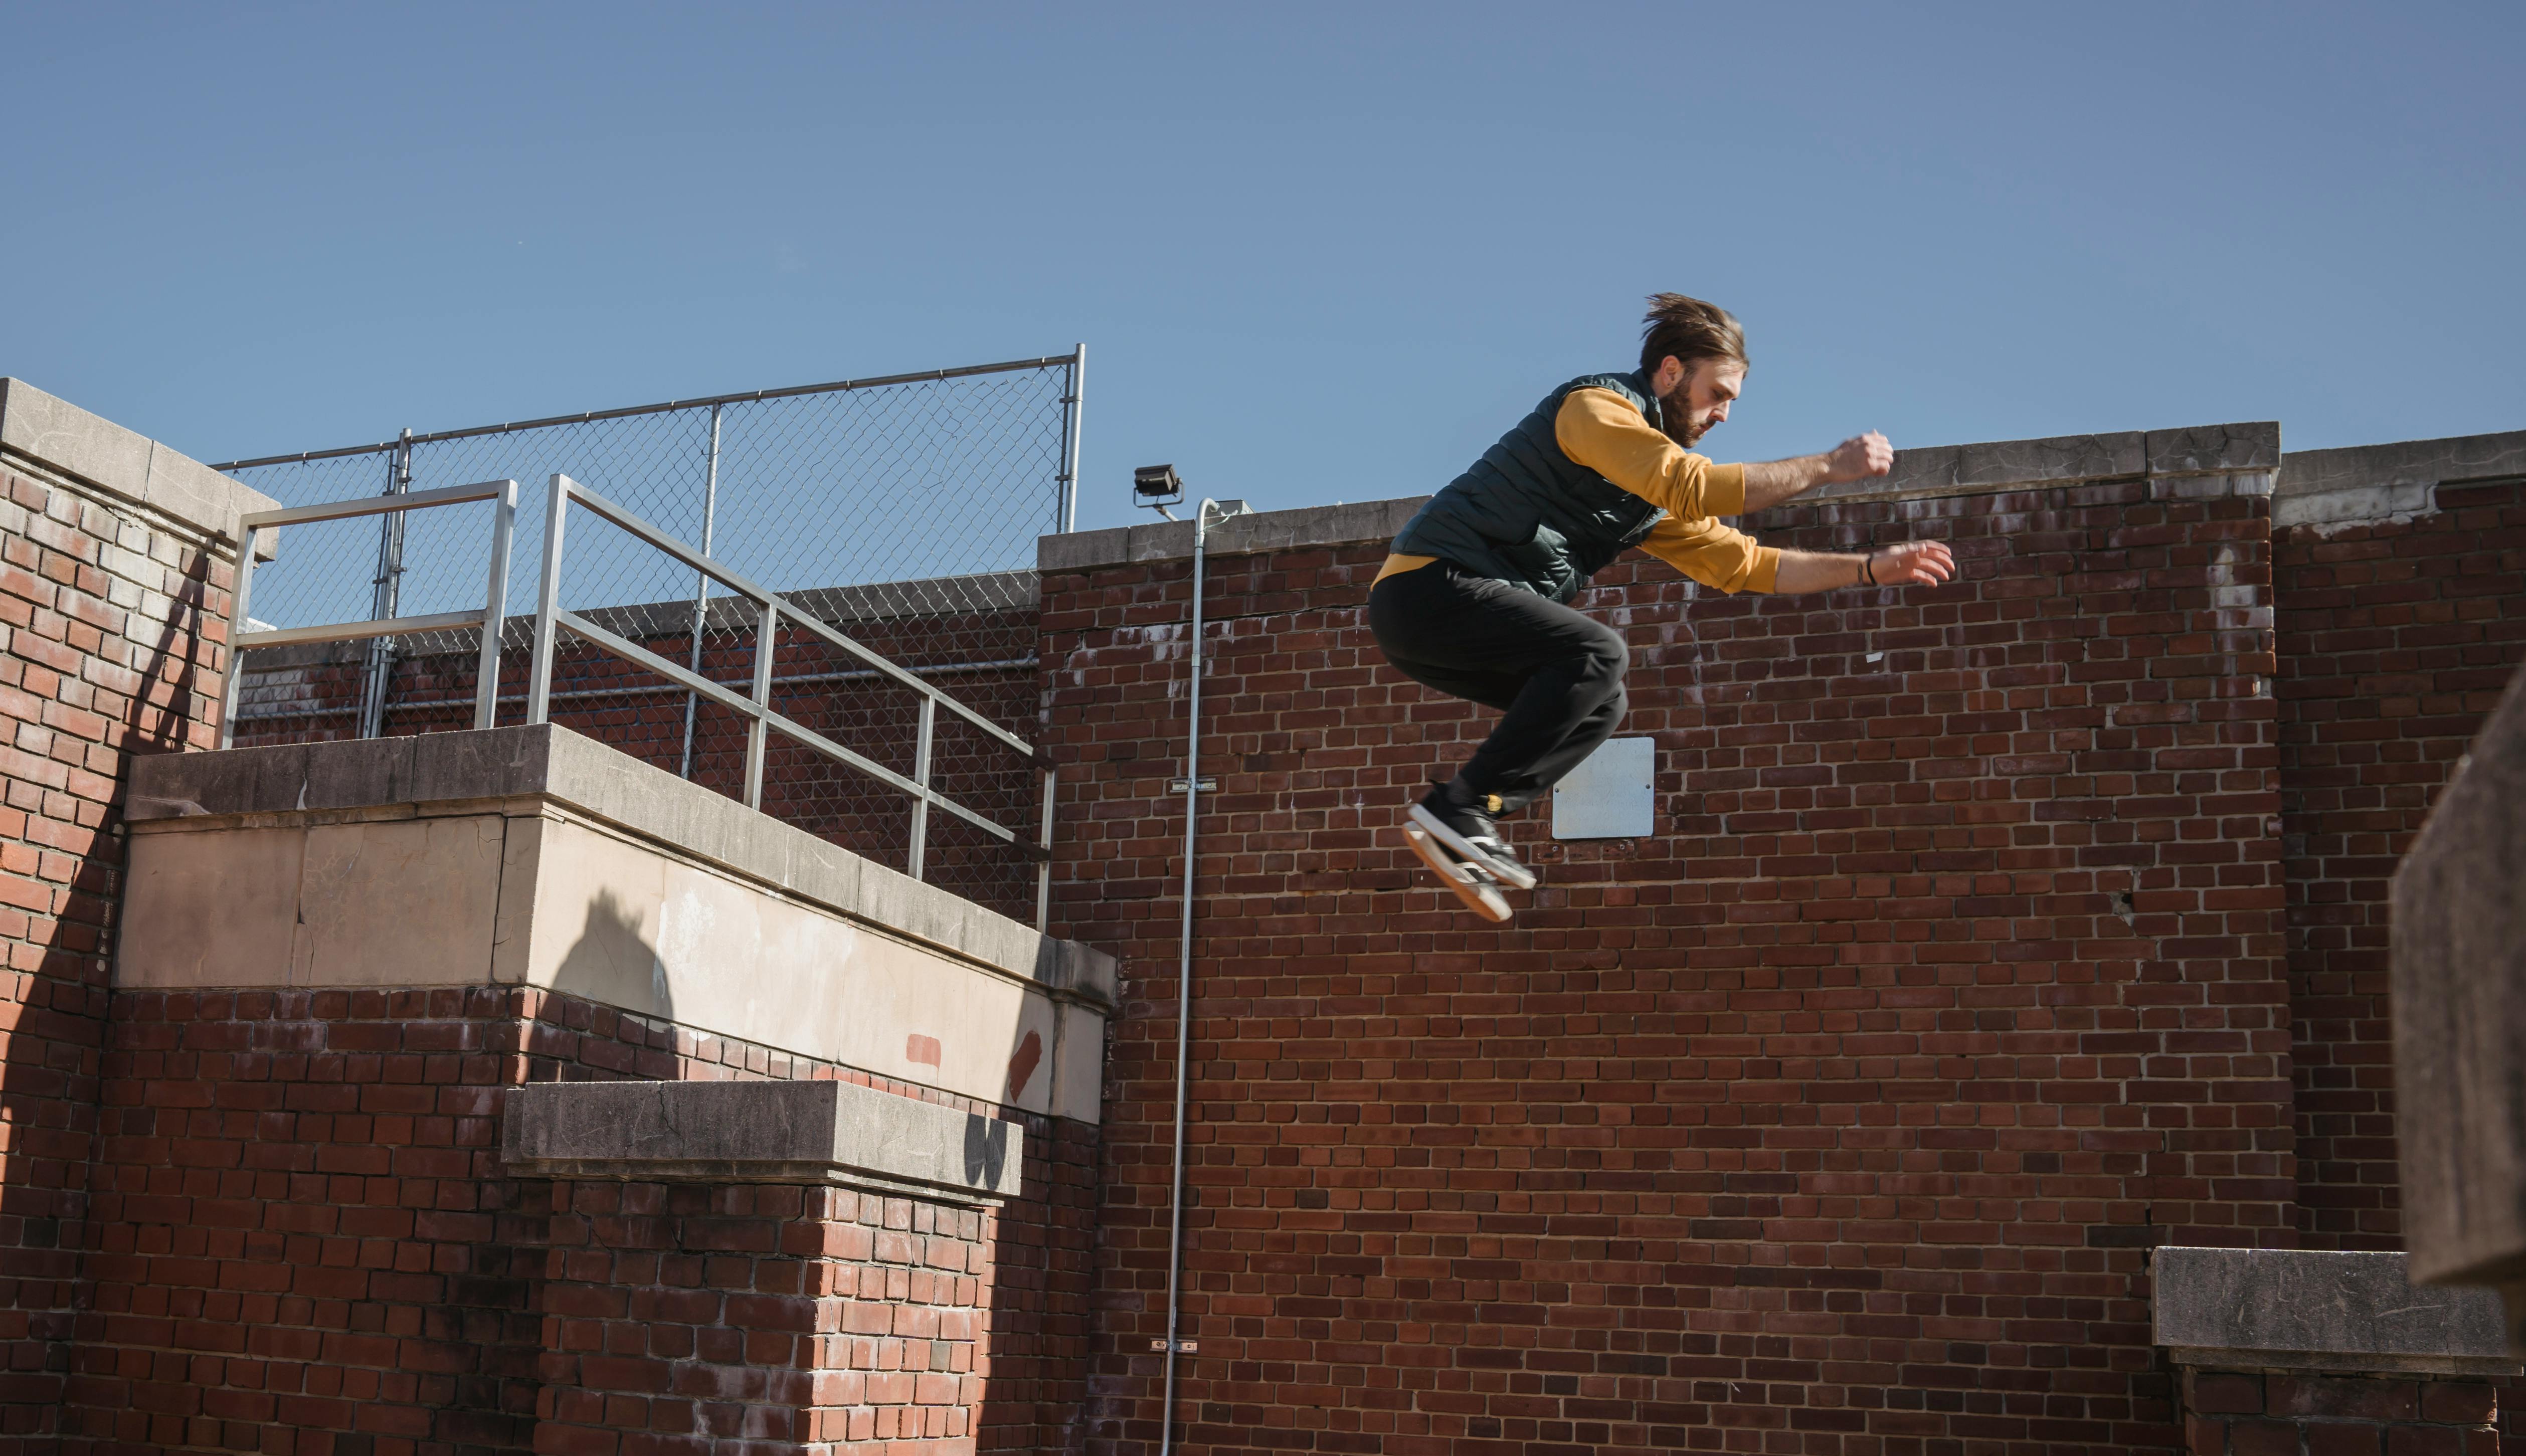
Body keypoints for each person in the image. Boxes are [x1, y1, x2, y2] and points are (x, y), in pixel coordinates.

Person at [1369, 292, 1955, 920]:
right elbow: (1693, 484)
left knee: (1601, 704)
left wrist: (1867, 569)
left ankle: (1471, 817)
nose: (1724, 414)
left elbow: (1746, 564)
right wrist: (1828, 466)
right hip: (1429, 589)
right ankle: (1455, 809)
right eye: (1718, 394)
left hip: (1452, 623)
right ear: (1670, 372)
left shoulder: (1648, 493)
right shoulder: (1594, 409)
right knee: (1597, 653)